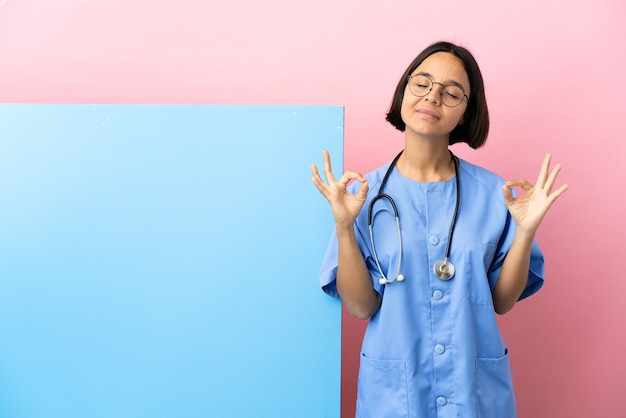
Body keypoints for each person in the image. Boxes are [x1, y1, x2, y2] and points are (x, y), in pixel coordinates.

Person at [310, 41, 569, 418]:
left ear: (465, 113)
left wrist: (525, 230)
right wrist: (345, 227)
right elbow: (361, 305)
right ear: (404, 92)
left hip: (472, 391)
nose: (433, 97)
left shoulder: (494, 196)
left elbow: (502, 302)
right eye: (422, 83)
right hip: (396, 395)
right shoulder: (362, 196)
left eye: (451, 93)